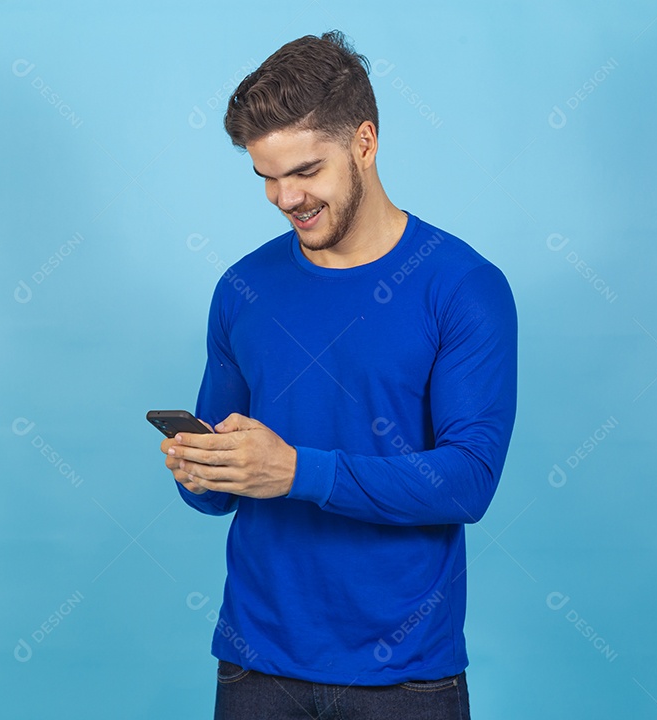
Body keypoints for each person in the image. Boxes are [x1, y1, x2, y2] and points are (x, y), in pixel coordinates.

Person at [160, 30, 517, 720]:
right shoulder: (243, 288)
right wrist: (201, 469)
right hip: (255, 666)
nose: (284, 196)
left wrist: (297, 471)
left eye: (304, 171)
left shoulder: (462, 286)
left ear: (364, 142)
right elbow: (218, 495)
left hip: (407, 679)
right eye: (266, 175)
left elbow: (469, 480)